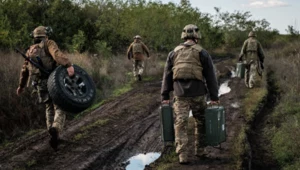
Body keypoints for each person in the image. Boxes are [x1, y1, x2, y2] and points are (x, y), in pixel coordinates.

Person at [161, 24, 219, 164]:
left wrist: (164, 96)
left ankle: (183, 155)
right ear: (196, 37)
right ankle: (200, 151)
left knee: (180, 124)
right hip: (198, 94)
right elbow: (210, 76)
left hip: (180, 95)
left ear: (184, 36)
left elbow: (167, 75)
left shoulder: (173, 52)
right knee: (201, 122)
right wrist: (214, 97)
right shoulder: (202, 52)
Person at [16, 26, 74, 150]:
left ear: (34, 37)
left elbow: (24, 70)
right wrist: (68, 64)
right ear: (45, 35)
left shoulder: (30, 50)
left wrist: (21, 86)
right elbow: (57, 55)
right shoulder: (49, 43)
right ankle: (56, 129)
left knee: (48, 107)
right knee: (59, 107)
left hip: (39, 84)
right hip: (52, 80)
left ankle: (51, 132)